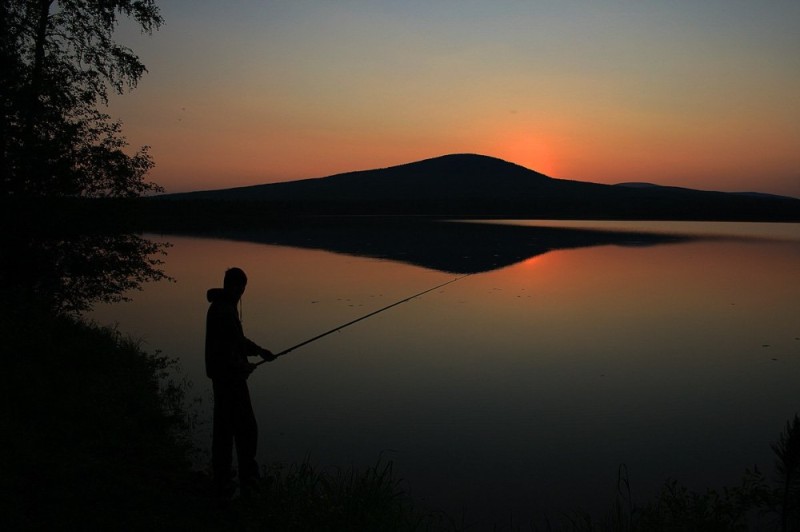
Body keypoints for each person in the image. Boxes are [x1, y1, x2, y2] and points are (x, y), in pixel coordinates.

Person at [205, 267, 276, 498]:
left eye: (242, 287)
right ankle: (248, 479)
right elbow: (227, 348)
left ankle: (223, 477)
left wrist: (259, 351)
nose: (241, 291)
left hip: (225, 377)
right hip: (229, 379)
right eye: (238, 287)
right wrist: (243, 366)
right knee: (246, 428)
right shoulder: (224, 311)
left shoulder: (223, 306)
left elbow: (237, 342)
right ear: (230, 286)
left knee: (224, 428)